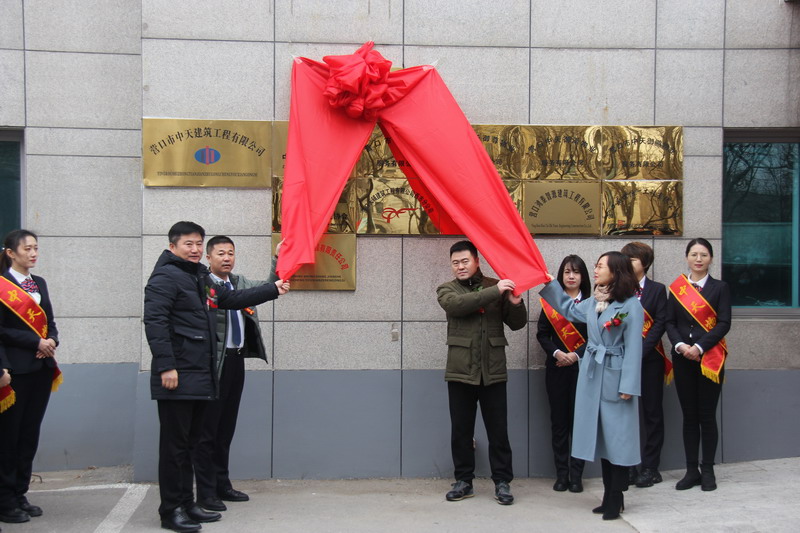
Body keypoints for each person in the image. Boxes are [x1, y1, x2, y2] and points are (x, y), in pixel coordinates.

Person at [144, 221, 289, 533]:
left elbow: (231, 299)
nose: (195, 249)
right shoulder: (164, 277)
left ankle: (188, 504)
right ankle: (171, 510)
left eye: (198, 243)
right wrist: (166, 366)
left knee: (190, 443)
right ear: (173, 247)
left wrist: (273, 288)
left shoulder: (198, 277)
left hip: (201, 372)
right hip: (178, 373)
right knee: (175, 447)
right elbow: (155, 322)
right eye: (189, 244)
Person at [539, 251, 644, 520]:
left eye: (600, 266)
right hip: (593, 374)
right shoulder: (595, 300)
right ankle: (609, 496)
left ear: (616, 271)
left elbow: (634, 348)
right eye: (596, 266)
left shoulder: (631, 305)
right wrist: (550, 283)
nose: (595, 271)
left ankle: (616, 497)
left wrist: (629, 385)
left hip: (616, 377)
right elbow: (569, 309)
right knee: (604, 441)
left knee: (617, 440)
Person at [436, 240, 527, 506]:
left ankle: (502, 482)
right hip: (460, 370)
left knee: (498, 430)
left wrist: (515, 303)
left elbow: (518, 324)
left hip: (493, 369)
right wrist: (496, 291)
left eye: (465, 261)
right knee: (461, 431)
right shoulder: (447, 290)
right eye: (455, 263)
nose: (460, 266)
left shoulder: (498, 286)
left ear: (477, 261)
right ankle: (464, 481)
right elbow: (458, 306)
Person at [193, 236, 279, 512]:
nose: (227, 258)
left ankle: (222, 484)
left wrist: (279, 258)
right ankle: (206, 493)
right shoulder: (202, 285)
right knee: (208, 430)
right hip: (213, 364)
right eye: (221, 253)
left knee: (225, 428)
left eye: (231, 253)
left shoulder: (238, 282)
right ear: (208, 257)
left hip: (235, 361)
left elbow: (268, 286)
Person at [0, 230, 59, 525]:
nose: (33, 253)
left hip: (41, 370)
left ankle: (20, 492)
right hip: (15, 372)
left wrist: (52, 341)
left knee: (28, 435)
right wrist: (34, 341)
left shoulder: (40, 283)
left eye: (36, 248)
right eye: (27, 249)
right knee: (8, 438)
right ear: (11, 253)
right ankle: (5, 499)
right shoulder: (2, 285)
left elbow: (50, 322)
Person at [666, 238, 731, 492]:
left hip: (710, 359)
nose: (699, 259)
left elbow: (724, 323)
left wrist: (700, 347)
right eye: (694, 254)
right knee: (689, 416)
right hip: (683, 359)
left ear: (711, 258)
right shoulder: (677, 288)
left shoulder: (720, 287)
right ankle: (691, 470)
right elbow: (670, 322)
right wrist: (681, 346)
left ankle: (708, 469)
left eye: (704, 254)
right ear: (687, 257)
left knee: (707, 415)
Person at [536, 255, 590, 493]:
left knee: (579, 424)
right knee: (559, 423)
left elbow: (596, 337)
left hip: (582, 370)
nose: (571, 276)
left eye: (576, 272)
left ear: (583, 276)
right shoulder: (551, 303)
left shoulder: (591, 303)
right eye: (567, 272)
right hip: (556, 369)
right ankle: (562, 475)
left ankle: (577, 476)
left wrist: (576, 355)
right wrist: (558, 353)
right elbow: (542, 334)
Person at [621, 242, 668, 488]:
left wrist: (640, 351)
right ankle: (628, 466)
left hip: (650, 360)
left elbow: (660, 322)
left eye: (633, 259)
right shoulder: (619, 289)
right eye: (626, 259)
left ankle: (651, 467)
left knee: (652, 413)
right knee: (626, 414)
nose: (629, 263)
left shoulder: (657, 290)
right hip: (622, 361)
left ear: (646, 263)